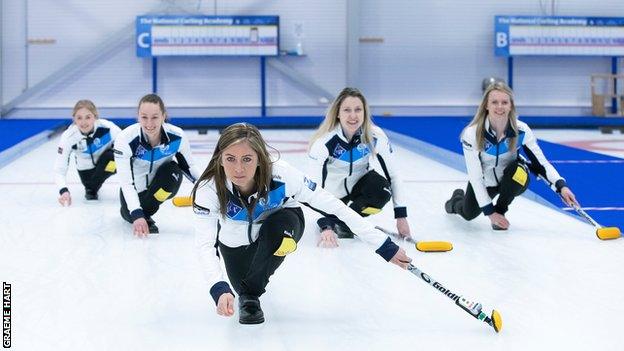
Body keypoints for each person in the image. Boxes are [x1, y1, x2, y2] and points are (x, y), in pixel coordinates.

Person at [192, 123, 412, 324]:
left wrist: (384, 246)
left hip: (283, 223)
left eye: (247, 159)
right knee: (239, 284)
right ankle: (248, 289)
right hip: (235, 240)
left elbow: (335, 207)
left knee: (270, 248)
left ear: (260, 157)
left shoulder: (283, 175)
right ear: (219, 158)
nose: (239, 169)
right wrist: (218, 287)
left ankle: (250, 297)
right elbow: (205, 244)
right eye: (230, 159)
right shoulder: (208, 190)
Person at [444, 82, 578, 230]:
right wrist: (489, 212)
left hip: (510, 178)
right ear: (486, 106)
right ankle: (455, 200)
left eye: (504, 102)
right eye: (494, 102)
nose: (499, 107)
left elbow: (541, 164)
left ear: (511, 106)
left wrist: (562, 186)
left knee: (518, 172)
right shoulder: (472, 134)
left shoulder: (522, 130)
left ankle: (501, 212)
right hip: (485, 181)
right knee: (468, 213)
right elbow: (475, 177)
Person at [308, 87, 410, 248]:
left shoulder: (375, 136)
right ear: (338, 113)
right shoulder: (324, 142)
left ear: (364, 112)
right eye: (347, 110)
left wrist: (401, 216)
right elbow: (314, 189)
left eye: (358, 109)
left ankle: (346, 221)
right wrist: (326, 225)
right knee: (329, 208)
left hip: (359, 184)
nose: (353, 116)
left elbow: (393, 175)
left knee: (382, 191)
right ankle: (339, 219)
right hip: (333, 194)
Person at [114, 93, 201, 236]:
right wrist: (136, 213)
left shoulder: (177, 136)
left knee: (174, 172)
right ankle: (139, 213)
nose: (149, 124)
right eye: (144, 117)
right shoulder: (125, 139)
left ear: (163, 116)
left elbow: (190, 167)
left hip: (161, 186)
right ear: (138, 117)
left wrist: (212, 190)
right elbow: (126, 183)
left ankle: (146, 213)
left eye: (155, 117)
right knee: (129, 215)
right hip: (135, 190)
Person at [54, 99, 121, 206]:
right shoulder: (69, 137)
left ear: (95, 117)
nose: (84, 122)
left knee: (113, 155)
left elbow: (128, 148)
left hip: (109, 164)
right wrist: (63, 191)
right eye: (79, 118)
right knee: (91, 186)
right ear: (74, 119)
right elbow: (59, 169)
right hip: (88, 174)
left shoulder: (108, 128)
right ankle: (91, 189)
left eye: (88, 117)